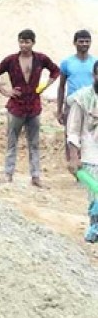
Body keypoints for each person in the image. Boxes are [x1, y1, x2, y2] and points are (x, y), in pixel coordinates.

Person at [0, 29, 60, 187]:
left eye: (27, 42)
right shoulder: (11, 60)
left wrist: (45, 85)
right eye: (21, 41)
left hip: (34, 106)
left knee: (34, 143)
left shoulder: (41, 59)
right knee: (12, 141)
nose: (24, 45)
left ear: (33, 43)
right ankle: (8, 174)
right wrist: (5, 91)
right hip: (16, 106)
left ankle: (35, 176)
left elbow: (55, 71)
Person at [66, 60, 98, 241]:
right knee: (96, 197)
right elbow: (73, 130)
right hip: (91, 155)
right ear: (94, 75)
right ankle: (95, 229)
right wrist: (73, 157)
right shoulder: (82, 98)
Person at [58, 30, 95, 159]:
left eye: (87, 41)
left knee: (90, 136)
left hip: (91, 105)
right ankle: (72, 164)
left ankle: (87, 164)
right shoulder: (67, 63)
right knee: (71, 135)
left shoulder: (95, 62)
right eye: (81, 41)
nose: (84, 44)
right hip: (72, 104)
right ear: (74, 43)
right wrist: (59, 110)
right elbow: (61, 87)